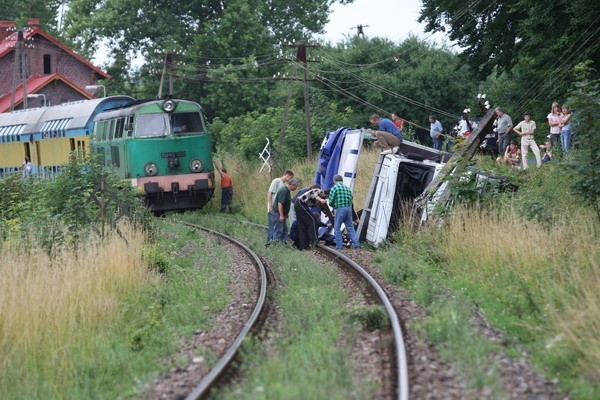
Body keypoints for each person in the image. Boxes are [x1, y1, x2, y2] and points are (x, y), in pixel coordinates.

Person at [293, 185, 332, 250]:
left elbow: (322, 207)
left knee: (302, 225)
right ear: (327, 194)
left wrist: (329, 215)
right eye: (328, 197)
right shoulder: (319, 191)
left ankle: (303, 245)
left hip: (299, 204)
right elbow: (314, 195)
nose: (327, 198)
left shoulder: (321, 198)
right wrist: (320, 199)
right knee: (312, 221)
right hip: (301, 203)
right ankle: (314, 241)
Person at [328, 174, 360, 249]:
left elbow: (331, 201)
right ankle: (357, 245)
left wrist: (333, 205)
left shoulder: (334, 188)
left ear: (334, 181)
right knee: (350, 227)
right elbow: (351, 199)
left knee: (337, 227)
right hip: (348, 209)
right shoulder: (347, 188)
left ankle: (339, 246)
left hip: (340, 209)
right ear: (342, 180)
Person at [266, 170, 294, 245]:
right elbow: (269, 193)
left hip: (280, 210)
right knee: (273, 227)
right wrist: (270, 205)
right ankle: (269, 243)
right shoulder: (276, 181)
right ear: (287, 175)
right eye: (290, 177)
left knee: (283, 228)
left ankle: (280, 243)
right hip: (274, 208)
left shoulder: (284, 185)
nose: (290, 180)